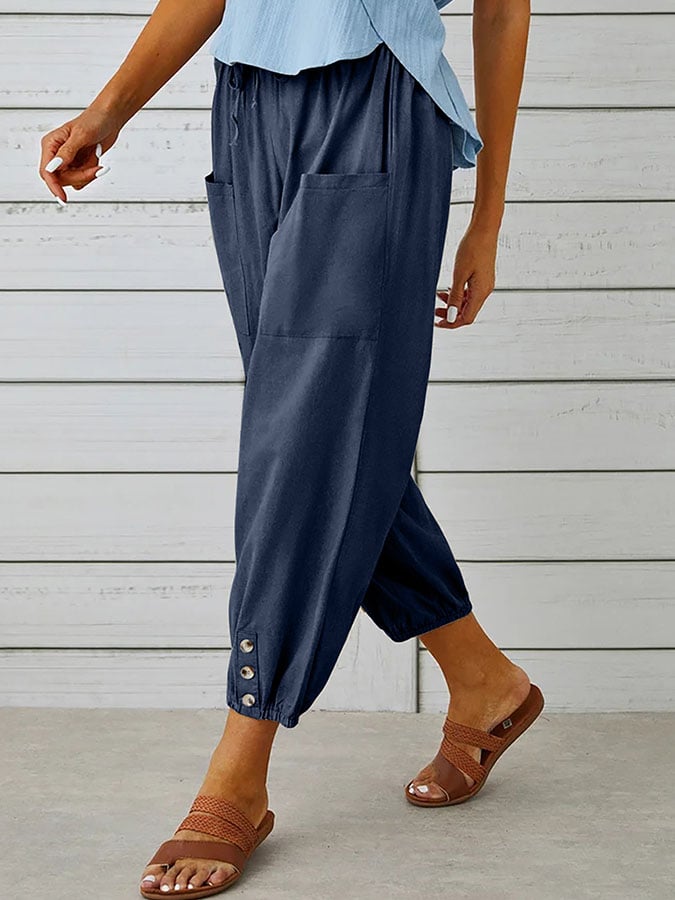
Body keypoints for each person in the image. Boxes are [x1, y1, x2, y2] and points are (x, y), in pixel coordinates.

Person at [38, 1, 542, 896]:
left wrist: (487, 217)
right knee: (314, 425)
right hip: (244, 108)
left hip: (375, 100)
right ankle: (482, 680)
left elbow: (503, 8)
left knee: (309, 433)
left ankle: (241, 759)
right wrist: (110, 108)